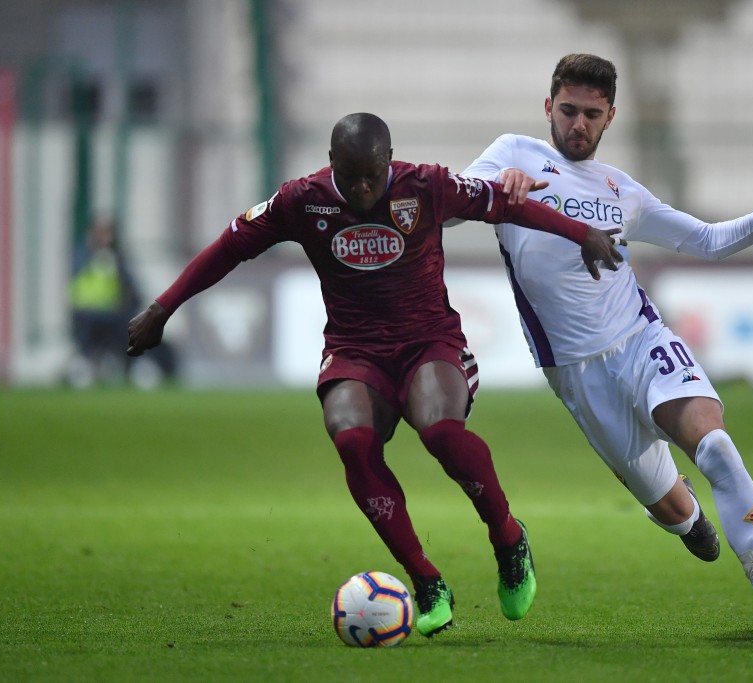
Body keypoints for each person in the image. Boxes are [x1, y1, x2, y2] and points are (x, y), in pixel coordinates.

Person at [126, 112, 624, 637]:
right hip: (354, 351)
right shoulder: (301, 200)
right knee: (352, 440)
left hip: (429, 343)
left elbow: (503, 203)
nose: (362, 187)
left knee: (440, 431)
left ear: (390, 160)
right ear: (331, 162)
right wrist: (163, 308)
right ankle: (427, 580)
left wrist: (581, 232)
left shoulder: (426, 185)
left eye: (372, 174)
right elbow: (230, 246)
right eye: (350, 174)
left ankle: (507, 537)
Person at [460, 54, 753, 639]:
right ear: (549, 107)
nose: (579, 124)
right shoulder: (513, 154)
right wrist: (491, 192)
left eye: (592, 115)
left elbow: (703, 239)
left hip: (641, 339)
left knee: (717, 447)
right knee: (674, 512)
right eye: (570, 110)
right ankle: (688, 517)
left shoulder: (619, 189)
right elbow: (449, 205)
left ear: (610, 119)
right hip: (576, 372)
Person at [68, 217, 141, 387]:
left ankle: (128, 368)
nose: (103, 237)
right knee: (86, 339)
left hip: (113, 312)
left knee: (129, 332)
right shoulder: (83, 255)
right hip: (87, 312)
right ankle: (85, 367)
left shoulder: (118, 257)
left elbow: (130, 285)